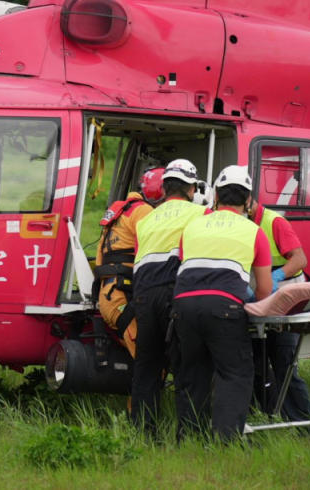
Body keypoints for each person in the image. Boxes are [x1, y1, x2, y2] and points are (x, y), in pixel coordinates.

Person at [173, 165, 272, 442]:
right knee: (234, 374)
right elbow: (264, 290)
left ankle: (189, 439)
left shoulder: (192, 226)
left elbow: (184, 264)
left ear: (215, 195)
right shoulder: (254, 231)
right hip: (226, 308)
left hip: (183, 305)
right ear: (248, 199)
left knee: (191, 374)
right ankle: (225, 442)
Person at [130, 158, 205, 437]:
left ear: (164, 188)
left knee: (146, 368)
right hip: (175, 292)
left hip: (143, 296)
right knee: (185, 365)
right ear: (191, 188)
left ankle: (143, 434)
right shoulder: (199, 214)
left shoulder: (146, 219)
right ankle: (189, 434)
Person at [249, 197, 310, 423]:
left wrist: (277, 275)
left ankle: (304, 424)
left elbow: (300, 259)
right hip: (260, 301)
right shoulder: (240, 220)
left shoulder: (274, 222)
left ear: (248, 200)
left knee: (284, 365)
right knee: (256, 364)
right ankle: (268, 415)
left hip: (286, 301)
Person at [94, 167, 165, 358]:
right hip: (121, 296)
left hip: (108, 293)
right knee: (146, 353)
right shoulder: (144, 211)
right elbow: (154, 251)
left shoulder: (121, 208)